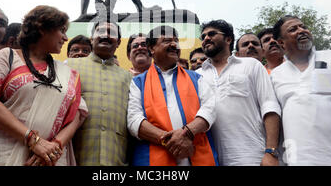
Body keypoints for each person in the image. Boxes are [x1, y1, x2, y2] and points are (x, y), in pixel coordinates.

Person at [0, 5, 88, 166]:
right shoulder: (7, 56)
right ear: (43, 28)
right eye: (62, 30)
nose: (65, 38)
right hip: (2, 151)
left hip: (48, 158)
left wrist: (54, 147)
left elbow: (78, 114)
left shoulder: (68, 73)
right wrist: (33, 139)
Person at [271, 15, 331, 165]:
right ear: (281, 43)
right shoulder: (275, 75)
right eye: (293, 29)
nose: (302, 30)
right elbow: (275, 120)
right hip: (302, 161)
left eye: (303, 27)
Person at [128, 26, 218, 166]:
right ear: (151, 48)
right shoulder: (138, 83)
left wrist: (187, 133)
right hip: (155, 157)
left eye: (176, 41)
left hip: (196, 153)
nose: (174, 45)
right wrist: (170, 140)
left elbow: (210, 109)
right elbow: (134, 120)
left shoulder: (196, 78)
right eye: (167, 40)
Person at [197, 20, 282, 166]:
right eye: (203, 36)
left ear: (228, 39)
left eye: (211, 34)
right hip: (212, 159)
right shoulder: (197, 75)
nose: (206, 38)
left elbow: (270, 106)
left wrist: (271, 151)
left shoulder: (251, 65)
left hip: (253, 156)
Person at [67, 21, 132, 165]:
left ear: (119, 42)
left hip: (115, 156)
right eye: (100, 31)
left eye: (112, 33)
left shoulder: (127, 77)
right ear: (91, 38)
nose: (105, 35)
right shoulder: (70, 66)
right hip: (75, 156)